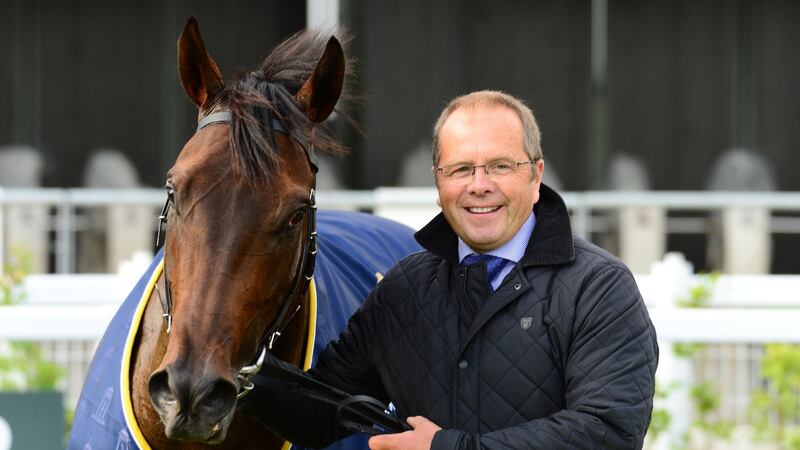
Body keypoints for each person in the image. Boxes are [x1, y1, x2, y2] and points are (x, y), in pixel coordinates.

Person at [245, 90, 659, 449]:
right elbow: (317, 414)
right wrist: (227, 364)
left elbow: (608, 433)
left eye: (500, 166)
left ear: (536, 176)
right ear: (438, 183)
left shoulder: (599, 287)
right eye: (461, 169)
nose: (479, 185)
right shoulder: (403, 289)